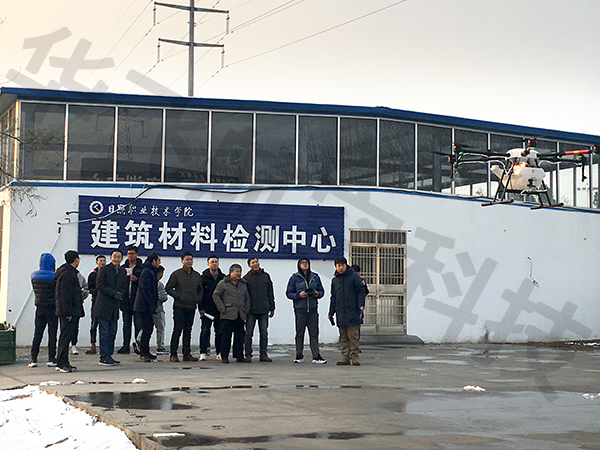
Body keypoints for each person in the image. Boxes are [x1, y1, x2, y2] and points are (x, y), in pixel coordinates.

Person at [285, 257, 327, 364]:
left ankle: (316, 356)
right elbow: (289, 293)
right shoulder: (294, 278)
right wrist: (298, 295)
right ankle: (299, 355)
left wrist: (317, 294)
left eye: (306, 263)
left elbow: (322, 291)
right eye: (302, 263)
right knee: (300, 333)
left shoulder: (315, 277)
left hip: (312, 309)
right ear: (299, 265)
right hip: (300, 310)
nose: (305, 264)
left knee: (314, 333)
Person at [166, 251, 203, 362]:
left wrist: (198, 299)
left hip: (191, 306)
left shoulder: (196, 275)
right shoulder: (176, 274)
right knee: (177, 329)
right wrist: (179, 296)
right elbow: (168, 288)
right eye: (187, 260)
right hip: (179, 306)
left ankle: (186, 353)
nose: (189, 262)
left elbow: (200, 289)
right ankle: (173, 354)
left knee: (188, 330)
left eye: (191, 259)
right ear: (182, 261)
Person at [329, 257, 366, 366]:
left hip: (353, 310)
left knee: (353, 336)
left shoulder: (354, 277)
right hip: (340, 312)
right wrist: (331, 312)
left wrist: (361, 305)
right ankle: (345, 357)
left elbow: (361, 291)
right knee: (343, 337)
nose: (340, 267)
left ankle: (354, 357)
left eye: (342, 265)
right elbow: (333, 297)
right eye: (338, 265)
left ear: (346, 265)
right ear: (335, 267)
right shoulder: (335, 280)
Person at [94, 249, 128, 366]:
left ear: (122, 259)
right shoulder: (104, 269)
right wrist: (113, 293)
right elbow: (100, 285)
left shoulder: (123, 271)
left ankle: (109, 355)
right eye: (114, 256)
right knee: (104, 333)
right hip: (103, 306)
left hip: (115, 307)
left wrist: (120, 293)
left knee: (112, 332)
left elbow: (125, 286)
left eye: (119, 257)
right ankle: (103, 357)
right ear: (110, 258)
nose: (116, 259)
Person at [213, 264, 250, 364]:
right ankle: (224, 356)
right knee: (226, 336)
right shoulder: (223, 283)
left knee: (240, 337)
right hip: (228, 314)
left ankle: (239, 356)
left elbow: (247, 297)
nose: (239, 274)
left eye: (240, 271)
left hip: (240, 314)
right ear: (231, 272)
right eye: (237, 271)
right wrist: (221, 307)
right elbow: (216, 295)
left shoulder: (243, 284)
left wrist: (246, 309)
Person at [55, 250, 84, 373]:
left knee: (65, 337)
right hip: (68, 312)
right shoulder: (68, 274)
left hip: (68, 310)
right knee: (65, 337)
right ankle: (62, 363)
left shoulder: (65, 272)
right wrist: (68, 312)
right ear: (76, 260)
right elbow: (65, 295)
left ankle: (62, 362)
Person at [243, 257, 275, 362]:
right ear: (249, 265)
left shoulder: (265, 276)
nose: (255, 264)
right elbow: (244, 295)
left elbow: (270, 292)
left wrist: (272, 307)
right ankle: (248, 354)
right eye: (253, 263)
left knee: (264, 333)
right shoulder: (246, 278)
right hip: (251, 310)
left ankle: (263, 354)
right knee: (248, 333)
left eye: (256, 262)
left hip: (263, 309)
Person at [29, 253, 58, 368]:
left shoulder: (34, 276)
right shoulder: (54, 277)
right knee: (52, 334)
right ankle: (51, 358)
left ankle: (33, 358)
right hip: (52, 308)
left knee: (37, 333)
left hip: (39, 307)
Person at [133, 252, 161, 362]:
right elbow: (145, 289)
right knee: (146, 329)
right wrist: (151, 303)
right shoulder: (147, 271)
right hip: (144, 306)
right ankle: (143, 353)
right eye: (158, 260)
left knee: (148, 329)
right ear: (153, 261)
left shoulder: (150, 271)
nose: (159, 263)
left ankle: (146, 351)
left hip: (146, 305)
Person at [199, 254, 225, 360]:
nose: (214, 264)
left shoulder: (223, 278)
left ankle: (219, 352)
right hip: (206, 309)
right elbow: (200, 294)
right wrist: (200, 308)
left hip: (219, 309)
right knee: (205, 330)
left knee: (219, 331)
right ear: (208, 264)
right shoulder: (203, 278)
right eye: (212, 262)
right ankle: (203, 352)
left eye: (216, 262)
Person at [118, 245, 143, 354]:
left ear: (137, 254)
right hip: (126, 300)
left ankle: (138, 345)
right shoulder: (123, 267)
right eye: (128, 254)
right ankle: (125, 346)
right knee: (126, 324)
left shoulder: (141, 267)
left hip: (137, 300)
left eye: (132, 254)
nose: (130, 256)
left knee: (138, 324)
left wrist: (137, 280)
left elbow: (145, 282)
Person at [85, 255, 106, 355]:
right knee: (94, 324)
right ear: (97, 262)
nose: (103, 262)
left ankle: (104, 346)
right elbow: (90, 289)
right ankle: (93, 344)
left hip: (106, 303)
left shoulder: (108, 274)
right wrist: (99, 291)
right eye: (100, 260)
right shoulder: (92, 275)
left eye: (104, 261)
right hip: (96, 302)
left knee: (105, 326)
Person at [70, 271, 89, 355]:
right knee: (65, 326)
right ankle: (64, 345)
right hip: (66, 303)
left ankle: (73, 345)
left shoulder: (80, 276)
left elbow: (86, 288)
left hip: (77, 304)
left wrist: (83, 294)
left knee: (75, 326)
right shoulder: (64, 274)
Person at [154, 266, 168, 355]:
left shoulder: (147, 282)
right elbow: (163, 298)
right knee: (160, 328)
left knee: (145, 327)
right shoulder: (159, 284)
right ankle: (160, 346)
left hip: (148, 308)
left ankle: (138, 340)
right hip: (158, 309)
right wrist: (165, 295)